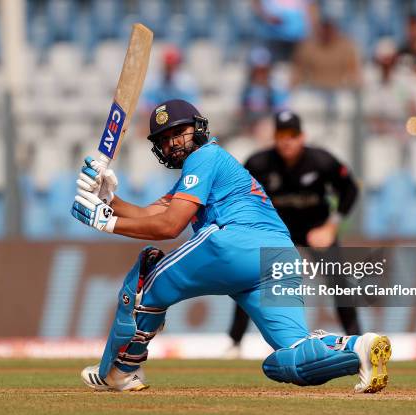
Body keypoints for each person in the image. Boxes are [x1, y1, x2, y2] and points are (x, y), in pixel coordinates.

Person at [70, 99, 391, 393]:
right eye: (164, 139)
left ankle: (122, 371)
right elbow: (149, 213)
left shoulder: (204, 157)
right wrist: (108, 199)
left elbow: (169, 226)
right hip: (279, 258)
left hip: (235, 242)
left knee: (146, 283)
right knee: (291, 358)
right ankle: (357, 348)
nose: (172, 143)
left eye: (178, 132)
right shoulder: (205, 168)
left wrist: (106, 222)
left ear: (197, 129)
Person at [227, 110, 362, 357]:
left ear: (302, 136)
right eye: (281, 134)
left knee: (340, 281)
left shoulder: (321, 161)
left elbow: (350, 189)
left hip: (316, 230)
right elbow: (241, 197)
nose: (287, 141)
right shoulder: (259, 164)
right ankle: (234, 343)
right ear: (275, 137)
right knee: (248, 277)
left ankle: (359, 342)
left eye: (292, 135)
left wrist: (330, 227)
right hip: (276, 233)